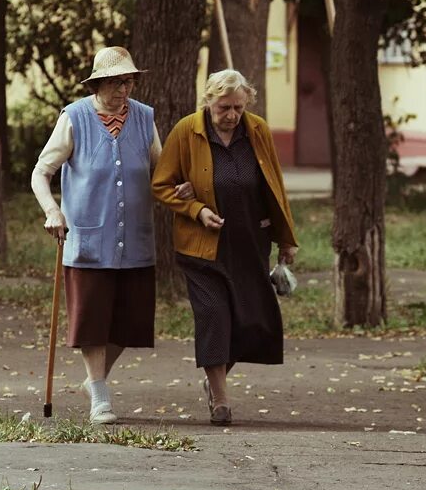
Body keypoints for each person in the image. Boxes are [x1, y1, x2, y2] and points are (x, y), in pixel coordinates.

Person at [31, 46, 194, 424]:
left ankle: (96, 379)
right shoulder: (74, 118)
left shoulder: (144, 118)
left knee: (130, 322)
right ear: (98, 84)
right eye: (117, 82)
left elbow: (160, 170)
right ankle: (99, 395)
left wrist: (179, 189)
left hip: (135, 239)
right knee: (91, 321)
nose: (124, 89)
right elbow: (41, 172)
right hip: (88, 238)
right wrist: (52, 210)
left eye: (129, 81)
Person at [152, 69, 298, 426]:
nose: (231, 115)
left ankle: (213, 378)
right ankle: (220, 399)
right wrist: (196, 209)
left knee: (250, 320)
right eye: (223, 108)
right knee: (214, 316)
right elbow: (161, 184)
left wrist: (285, 240)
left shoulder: (257, 129)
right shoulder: (187, 130)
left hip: (250, 241)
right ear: (208, 102)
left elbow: (274, 185)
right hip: (201, 247)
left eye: (237, 107)